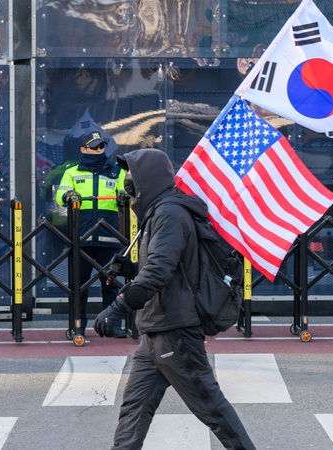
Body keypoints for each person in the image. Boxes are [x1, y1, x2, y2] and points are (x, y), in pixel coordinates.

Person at [92, 148, 255, 449]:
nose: (127, 181)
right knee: (134, 410)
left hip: (176, 330)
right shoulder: (158, 212)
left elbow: (158, 272)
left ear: (147, 179)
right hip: (156, 328)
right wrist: (129, 268)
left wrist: (117, 307)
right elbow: (166, 266)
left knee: (211, 406)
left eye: (132, 174)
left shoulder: (169, 213)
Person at [56, 131, 128, 338]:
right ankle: (77, 325)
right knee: (78, 285)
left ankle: (112, 325)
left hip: (110, 235)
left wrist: (125, 196)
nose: (98, 150)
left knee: (112, 283)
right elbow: (60, 196)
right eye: (94, 147)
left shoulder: (117, 171)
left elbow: (129, 197)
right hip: (81, 238)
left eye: (101, 147)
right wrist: (69, 195)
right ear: (83, 149)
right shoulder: (71, 171)